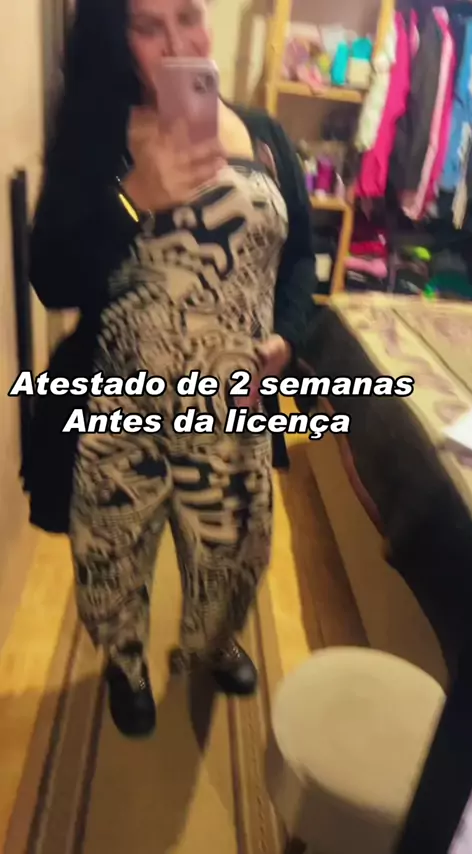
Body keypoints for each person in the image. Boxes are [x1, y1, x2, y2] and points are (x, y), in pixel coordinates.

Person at [26, 0, 317, 738]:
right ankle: (124, 664)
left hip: (231, 415)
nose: (175, 41)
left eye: (188, 17)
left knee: (232, 552)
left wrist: (286, 338)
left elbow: (299, 261)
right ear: (118, 40)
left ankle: (215, 645)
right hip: (121, 412)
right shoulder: (95, 140)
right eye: (148, 26)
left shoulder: (265, 135)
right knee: (113, 556)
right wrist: (134, 200)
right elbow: (52, 279)